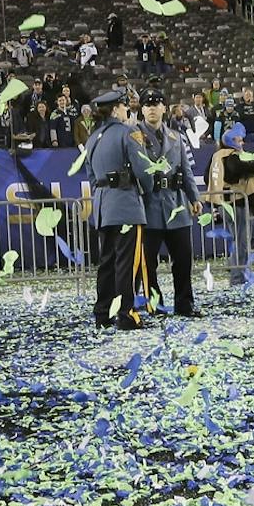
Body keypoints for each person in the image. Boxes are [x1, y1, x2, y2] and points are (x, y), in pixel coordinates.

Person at [85, 91, 152, 330]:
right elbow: (144, 170)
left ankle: (103, 313)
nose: (127, 110)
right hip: (126, 204)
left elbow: (91, 176)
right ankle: (126, 313)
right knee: (127, 263)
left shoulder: (93, 138)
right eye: (124, 106)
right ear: (115, 110)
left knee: (107, 263)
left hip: (103, 205)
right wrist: (148, 189)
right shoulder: (129, 133)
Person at [139, 90, 200, 317]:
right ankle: (155, 305)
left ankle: (185, 304)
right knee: (148, 264)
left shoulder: (176, 137)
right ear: (142, 110)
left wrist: (195, 198)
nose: (152, 108)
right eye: (147, 104)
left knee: (183, 260)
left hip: (177, 205)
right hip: (149, 207)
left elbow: (186, 170)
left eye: (156, 104)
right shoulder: (134, 136)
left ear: (165, 108)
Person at [206, 124, 254, 282]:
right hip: (235, 203)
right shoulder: (229, 155)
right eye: (239, 140)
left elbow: (210, 178)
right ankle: (237, 277)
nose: (242, 143)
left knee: (253, 235)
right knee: (242, 239)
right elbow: (236, 170)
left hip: (236, 203)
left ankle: (234, 264)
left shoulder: (219, 155)